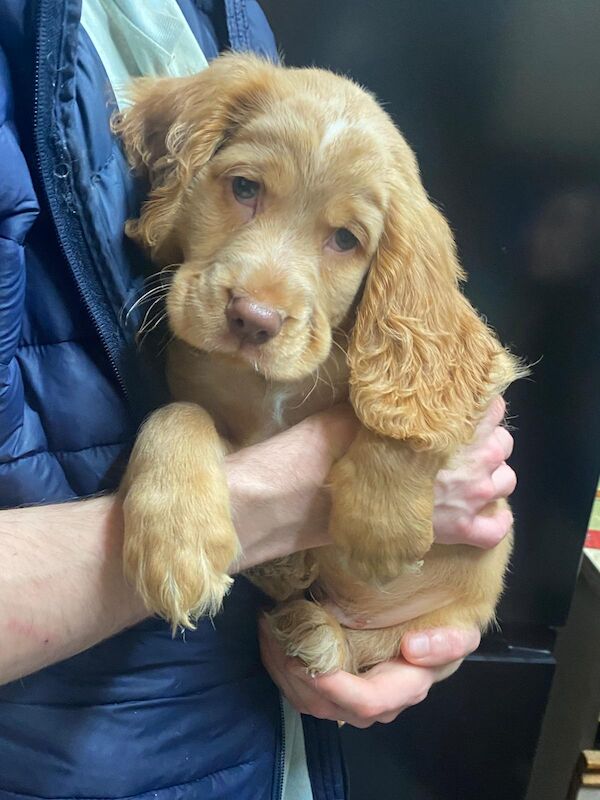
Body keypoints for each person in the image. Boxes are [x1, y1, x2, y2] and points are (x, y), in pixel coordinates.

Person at [0, 1, 517, 798]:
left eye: (345, 239)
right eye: (245, 187)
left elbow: (457, 381)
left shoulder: (226, 18)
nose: (259, 303)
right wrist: (231, 464)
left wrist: (397, 467)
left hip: (266, 728)